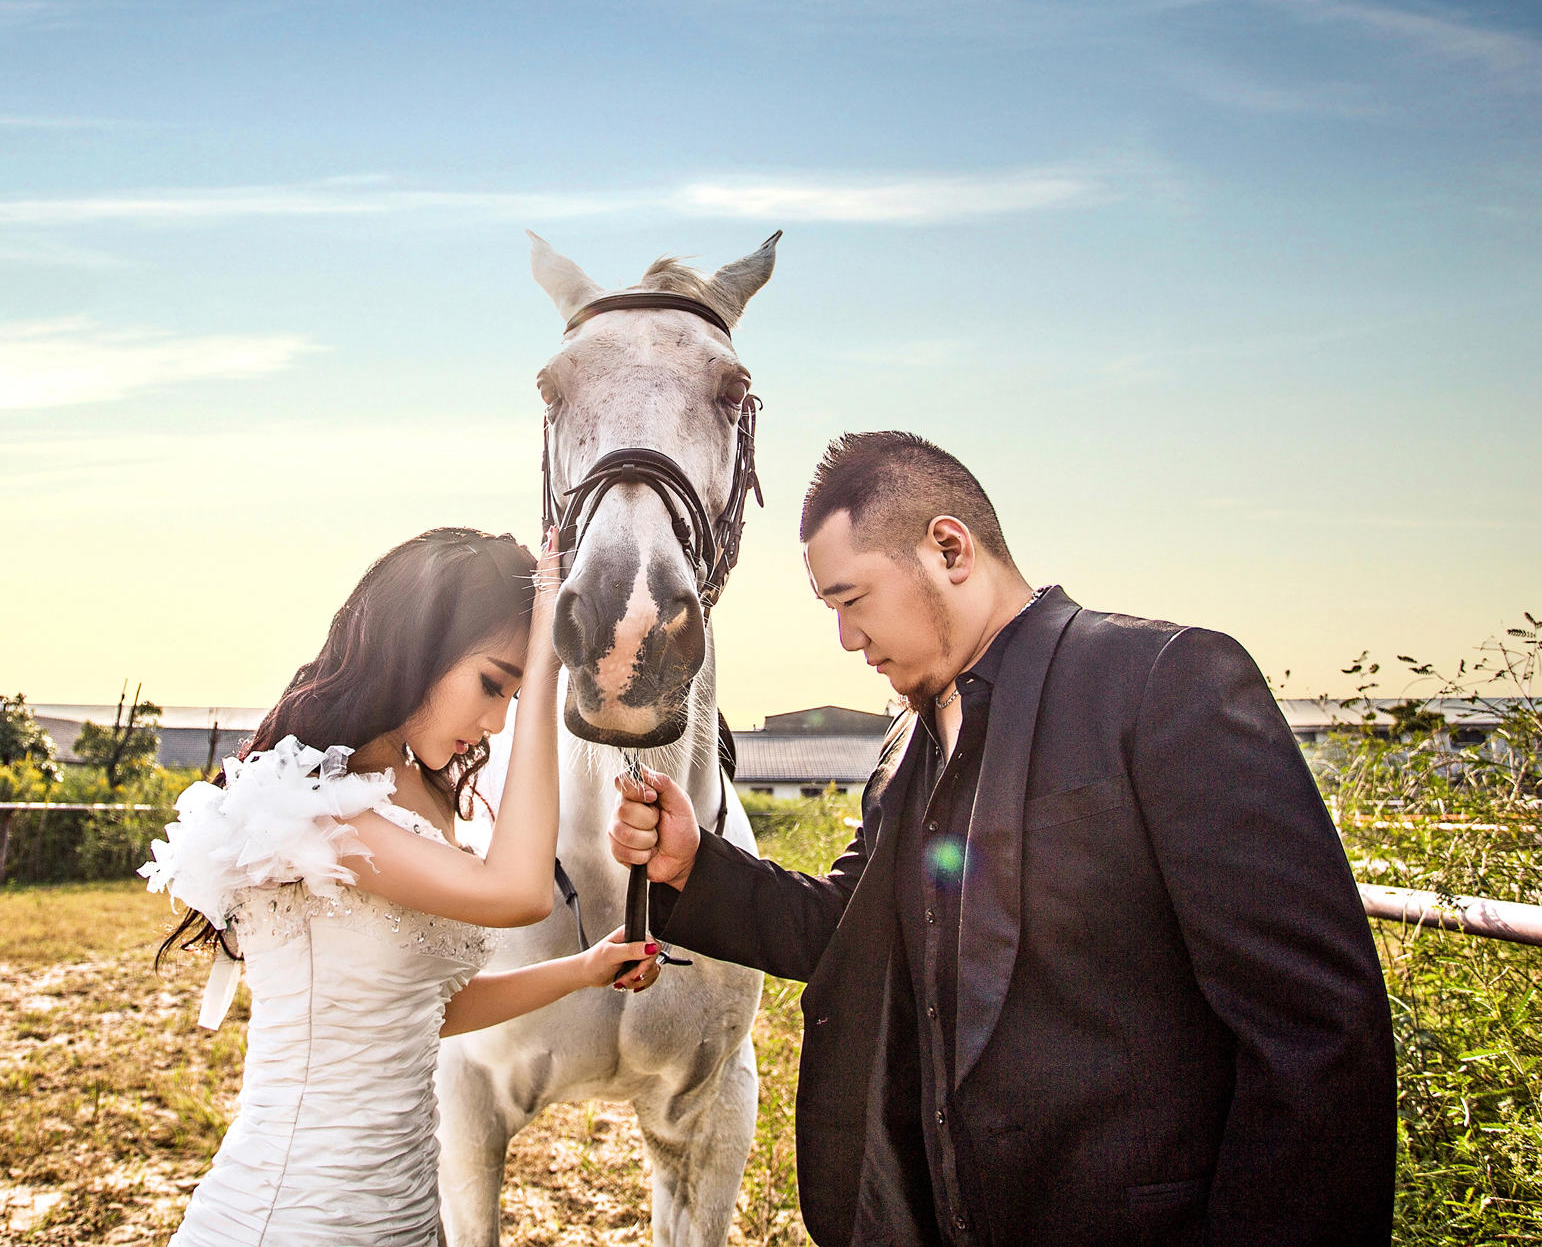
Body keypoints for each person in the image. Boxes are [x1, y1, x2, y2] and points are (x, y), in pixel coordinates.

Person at [609, 433, 1397, 1247]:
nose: (846, 639)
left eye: (852, 599)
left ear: (949, 548)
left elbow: (1316, 1031)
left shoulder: (1165, 681)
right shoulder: (905, 741)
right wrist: (693, 864)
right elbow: (854, 929)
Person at [141, 526, 659, 1247]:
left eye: (512, 693)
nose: (496, 722)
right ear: (419, 649)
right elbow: (520, 892)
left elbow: (426, 1012)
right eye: (492, 683)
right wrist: (543, 665)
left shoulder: (421, 795)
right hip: (298, 1216)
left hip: (410, 1211)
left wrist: (583, 970)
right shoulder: (316, 808)